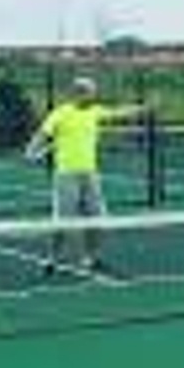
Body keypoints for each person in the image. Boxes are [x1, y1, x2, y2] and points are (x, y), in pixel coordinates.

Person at [25, 76, 150, 274]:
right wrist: (31, 150)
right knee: (63, 222)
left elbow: (118, 113)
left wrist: (144, 108)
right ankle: (52, 259)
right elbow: (41, 135)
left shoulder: (94, 111)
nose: (94, 96)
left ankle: (90, 258)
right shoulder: (60, 114)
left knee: (98, 218)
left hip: (90, 174)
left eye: (94, 92)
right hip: (66, 175)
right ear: (78, 93)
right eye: (91, 92)